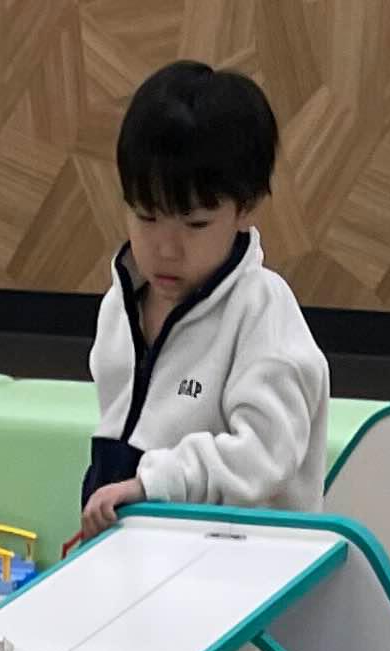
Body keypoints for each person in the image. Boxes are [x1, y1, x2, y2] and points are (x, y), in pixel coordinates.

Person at [80, 62, 328, 539]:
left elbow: (265, 456)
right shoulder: (120, 304)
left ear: (245, 207)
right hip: (141, 547)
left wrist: (154, 484)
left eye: (194, 224)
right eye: (146, 217)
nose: (165, 248)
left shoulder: (262, 311)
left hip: (242, 563)